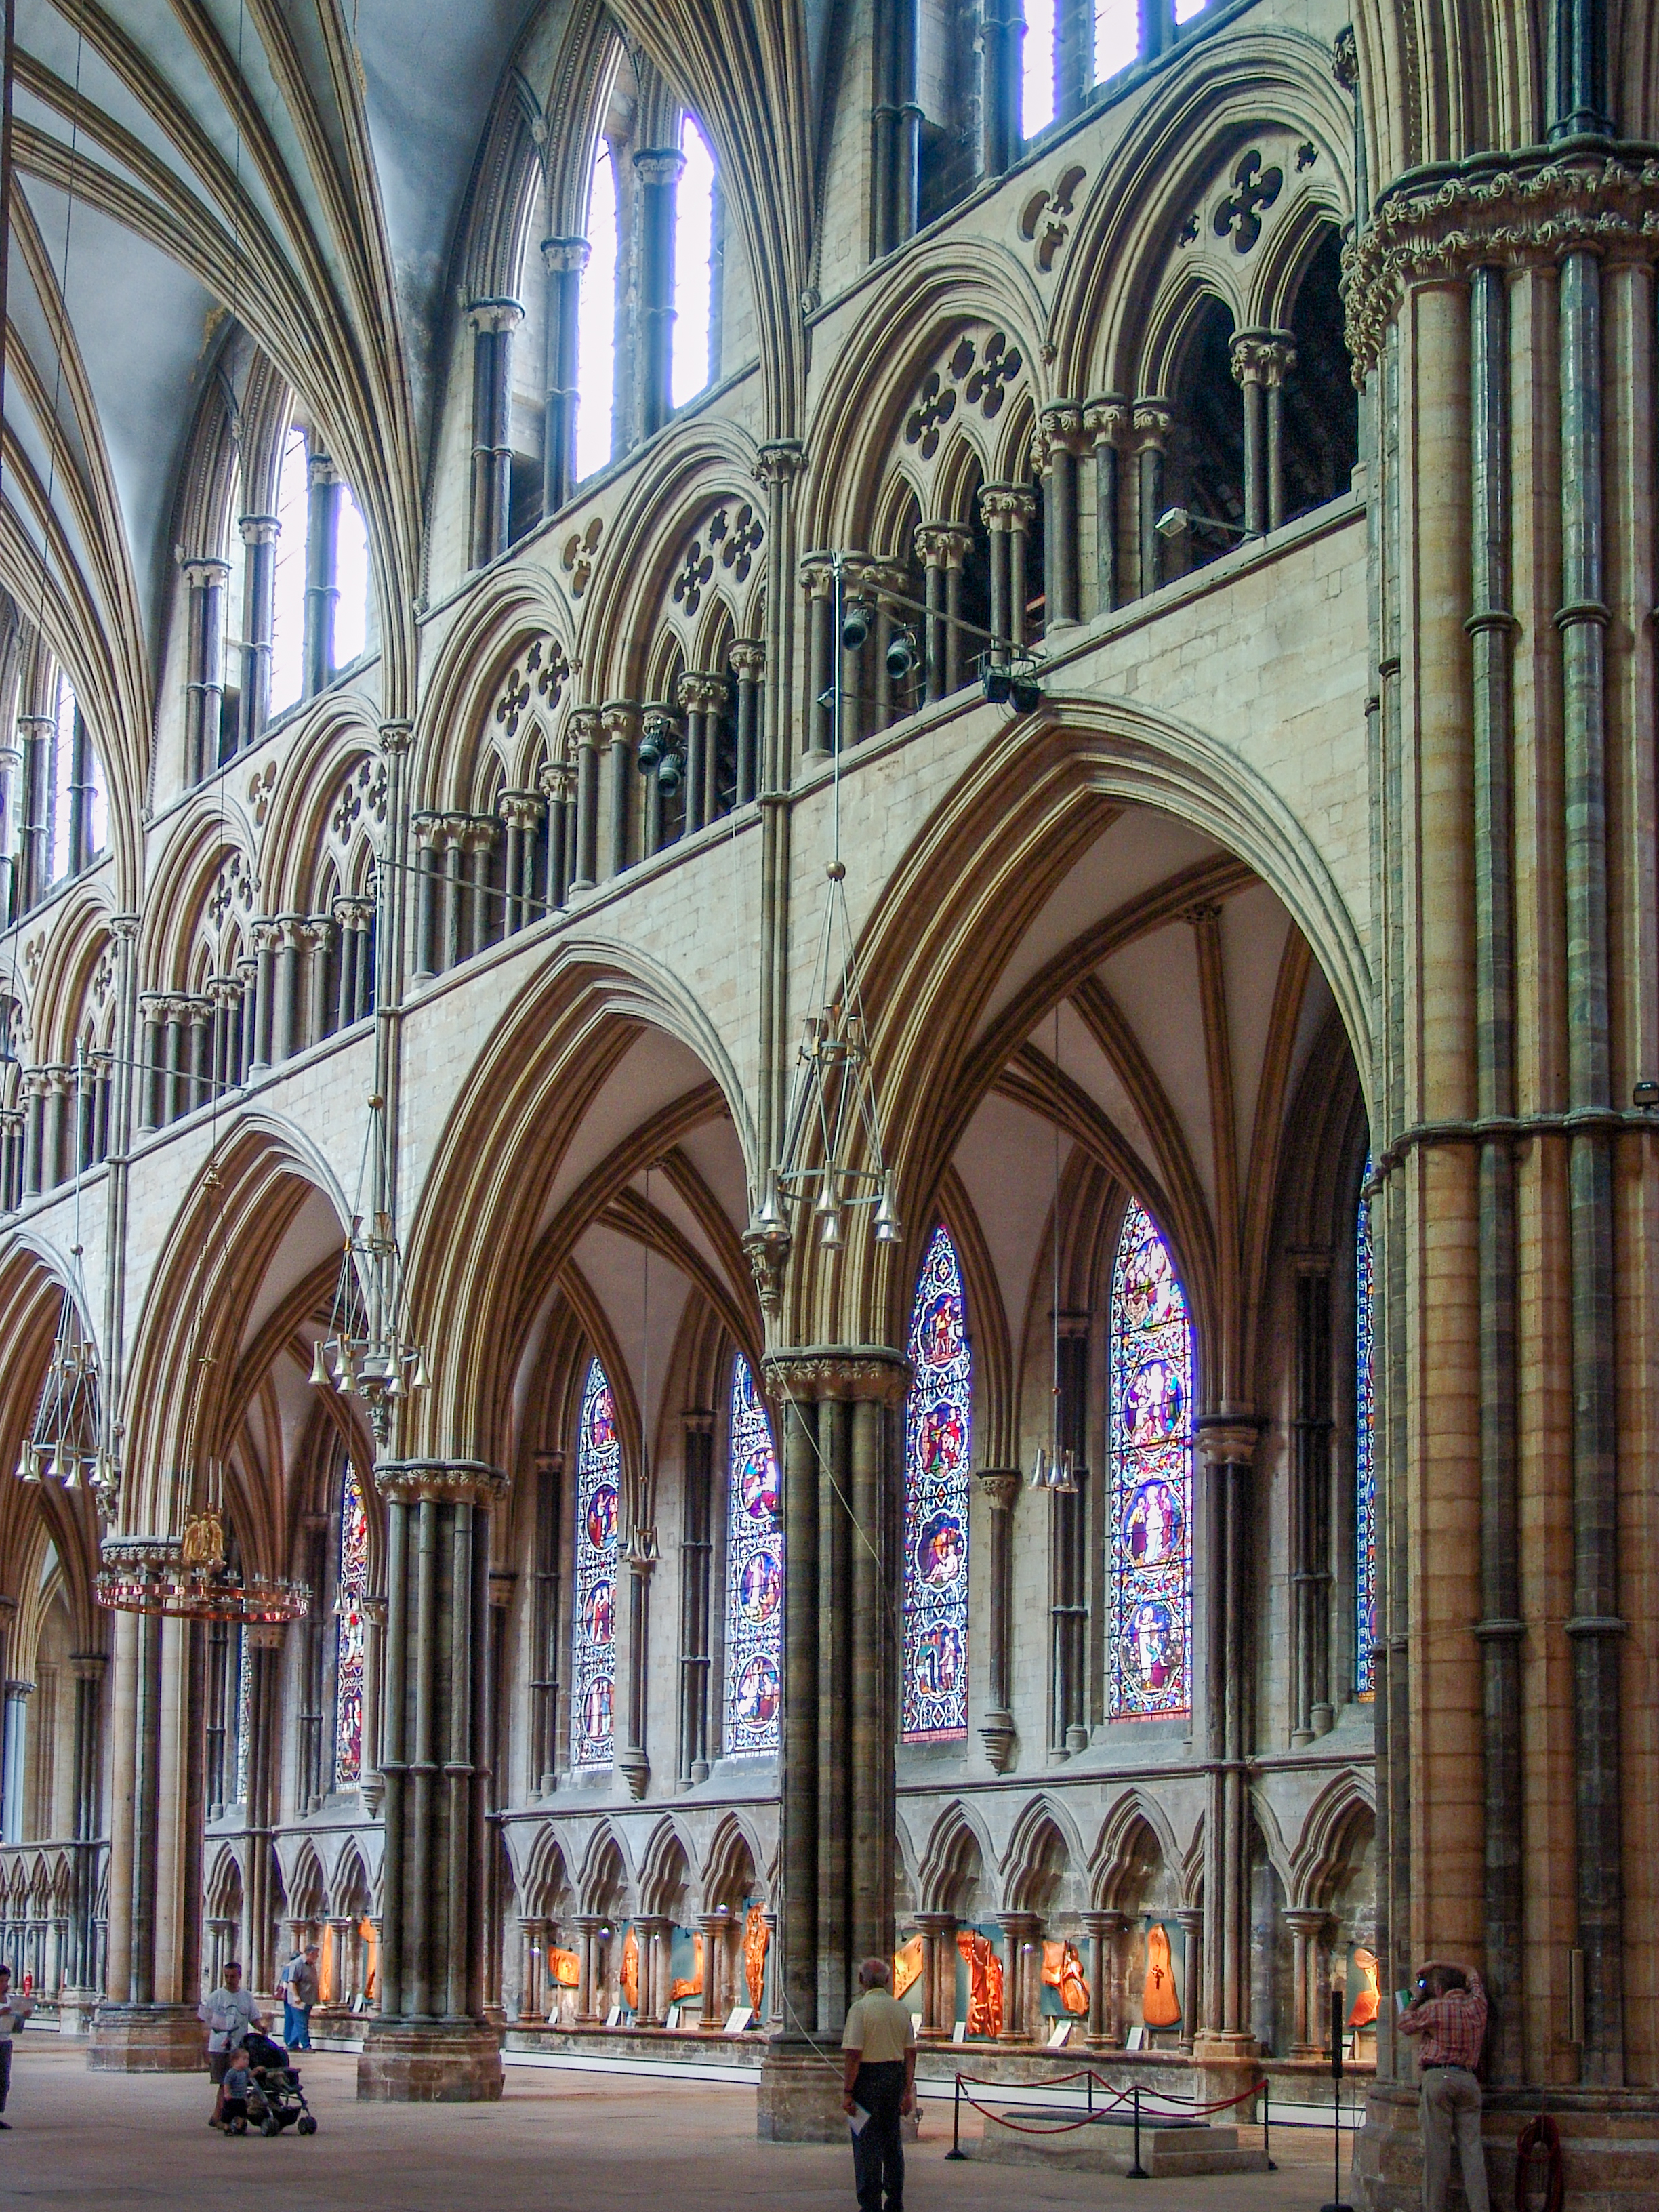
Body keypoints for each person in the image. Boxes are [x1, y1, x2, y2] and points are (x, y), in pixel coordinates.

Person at [1396, 1960, 1490, 2212]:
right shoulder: (1477, 2005)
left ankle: (1434, 2208)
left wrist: (1415, 1998)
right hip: (1469, 2080)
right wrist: (1439, 1964)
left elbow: (1405, 2024)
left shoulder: (1437, 2008)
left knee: (1437, 2154)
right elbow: (1472, 1971)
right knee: (1472, 2153)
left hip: (1439, 2079)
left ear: (1438, 1988)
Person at [841, 1955, 916, 2212]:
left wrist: (848, 2091)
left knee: (866, 2143)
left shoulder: (860, 2009)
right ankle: (895, 2200)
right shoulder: (900, 2008)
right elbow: (911, 2053)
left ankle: (870, 2203)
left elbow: (853, 2054)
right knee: (892, 2142)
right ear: (887, 1980)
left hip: (867, 2080)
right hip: (894, 2077)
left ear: (861, 1980)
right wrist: (907, 2090)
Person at [199, 1961, 266, 2129]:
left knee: (237, 2083)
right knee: (224, 2082)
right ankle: (218, 2115)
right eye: (227, 1976)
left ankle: (225, 2115)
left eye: (233, 1976)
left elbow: (253, 2017)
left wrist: (261, 2028)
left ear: (240, 1976)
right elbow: (205, 2022)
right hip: (219, 2047)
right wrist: (204, 2049)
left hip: (238, 2048)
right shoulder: (216, 1996)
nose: (230, 1980)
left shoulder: (246, 1997)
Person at [0, 1964, 35, 2128]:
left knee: (3, 2081)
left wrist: (23, 2015)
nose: (4, 1984)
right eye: (1, 1981)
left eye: (6, 1981)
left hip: (4, 2041)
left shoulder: (10, 2000)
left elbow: (15, 2026)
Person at [279, 1944, 321, 2051]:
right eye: (316, 1954)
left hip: (308, 1998)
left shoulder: (311, 1964)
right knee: (301, 2023)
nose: (317, 1956)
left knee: (300, 2022)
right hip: (299, 2000)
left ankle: (292, 2044)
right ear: (311, 1954)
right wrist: (296, 1996)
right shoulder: (297, 1964)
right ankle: (306, 2045)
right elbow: (292, 1981)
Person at [218, 2047, 255, 2135]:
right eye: (244, 2059)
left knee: (242, 2113)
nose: (247, 2061)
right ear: (235, 2060)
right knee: (229, 2114)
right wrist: (227, 2093)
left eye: (248, 2059)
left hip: (241, 2097)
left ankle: (239, 2127)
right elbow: (226, 2083)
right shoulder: (232, 2072)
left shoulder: (245, 2071)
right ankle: (227, 2128)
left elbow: (250, 2075)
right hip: (232, 2097)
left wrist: (256, 2071)